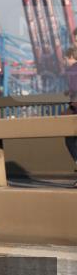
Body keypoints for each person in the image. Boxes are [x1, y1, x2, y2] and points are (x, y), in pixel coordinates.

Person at [63, 46, 77, 187]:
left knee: (70, 140)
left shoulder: (72, 70)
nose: (64, 61)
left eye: (65, 58)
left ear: (71, 57)